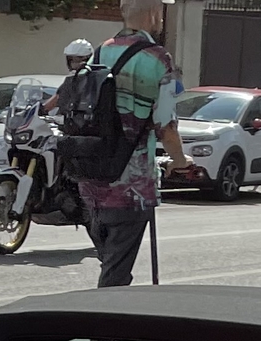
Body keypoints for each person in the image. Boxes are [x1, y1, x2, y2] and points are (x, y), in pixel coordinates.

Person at [77, 0, 184, 290]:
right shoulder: (158, 58)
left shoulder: (99, 52)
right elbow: (167, 127)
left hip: (90, 180)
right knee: (115, 277)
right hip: (130, 186)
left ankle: (106, 327)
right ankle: (102, 332)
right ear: (154, 13)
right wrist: (181, 161)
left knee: (111, 264)